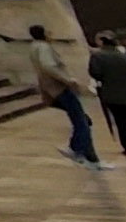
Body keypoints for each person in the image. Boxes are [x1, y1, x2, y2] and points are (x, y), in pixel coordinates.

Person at [27, 24, 98, 166]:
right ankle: (77, 149)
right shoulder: (43, 47)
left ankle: (84, 151)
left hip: (50, 88)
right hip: (58, 88)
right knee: (80, 120)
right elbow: (49, 66)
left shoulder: (35, 47)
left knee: (81, 118)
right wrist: (67, 79)